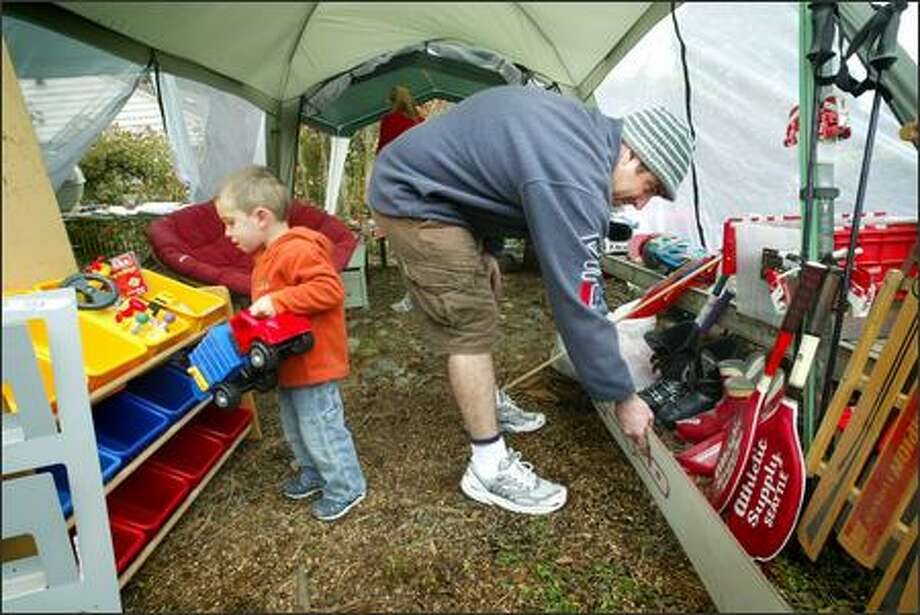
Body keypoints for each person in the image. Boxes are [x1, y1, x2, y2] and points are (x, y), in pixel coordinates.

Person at [368, 85, 694, 516]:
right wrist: (623, 396)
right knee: (468, 322)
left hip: (443, 192)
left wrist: (488, 246)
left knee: (485, 289)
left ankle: (488, 399)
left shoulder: (584, 135)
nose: (639, 202)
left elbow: (493, 161)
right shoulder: (573, 176)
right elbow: (579, 298)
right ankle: (488, 465)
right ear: (631, 154)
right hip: (411, 193)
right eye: (647, 186)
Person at [216, 166, 367, 522]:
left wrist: (279, 301)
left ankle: (347, 487)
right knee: (296, 427)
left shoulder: (297, 251)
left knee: (320, 426)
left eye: (231, 223)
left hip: (314, 364)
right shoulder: (264, 260)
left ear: (261, 217)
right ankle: (314, 474)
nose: (226, 233)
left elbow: (330, 289)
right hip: (289, 366)